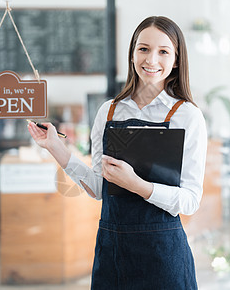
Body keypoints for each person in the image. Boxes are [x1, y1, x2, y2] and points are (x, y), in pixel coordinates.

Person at [28, 16, 207, 290]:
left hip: (164, 254)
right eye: (144, 49)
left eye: (163, 52)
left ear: (176, 60)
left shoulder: (187, 116)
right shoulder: (108, 111)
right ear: (132, 52)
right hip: (113, 251)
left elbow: (191, 200)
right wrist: (55, 146)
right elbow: (99, 188)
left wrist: (139, 186)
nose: (151, 60)